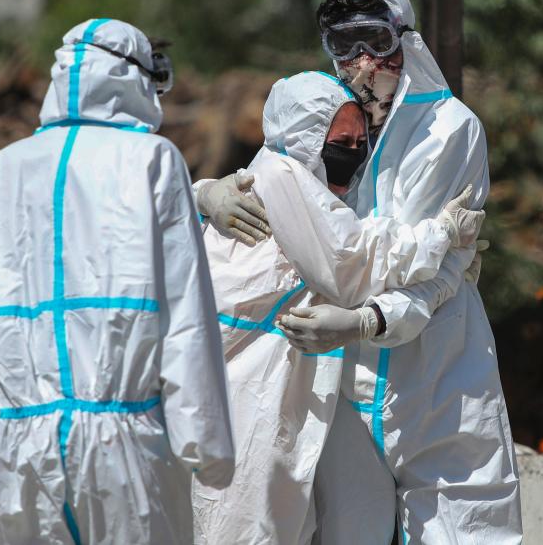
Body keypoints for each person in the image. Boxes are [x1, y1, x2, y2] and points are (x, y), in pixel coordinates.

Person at [0, 19, 234, 545]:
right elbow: (185, 314)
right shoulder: (152, 160)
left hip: (9, 450)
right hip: (121, 452)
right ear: (136, 81)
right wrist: (208, 446)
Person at [191, 71, 485, 544]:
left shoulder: (302, 181)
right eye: (338, 141)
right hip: (248, 389)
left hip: (289, 382)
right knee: (247, 525)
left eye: (358, 141)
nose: (351, 152)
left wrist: (446, 274)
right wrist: (442, 239)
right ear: (305, 139)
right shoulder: (284, 177)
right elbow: (354, 264)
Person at [278, 0, 523, 544]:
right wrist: (207, 193)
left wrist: (365, 319)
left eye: (373, 41)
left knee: (467, 532)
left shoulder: (449, 131)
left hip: (437, 378)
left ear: (404, 40)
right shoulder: (331, 126)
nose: (360, 63)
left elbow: (416, 272)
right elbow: (274, 185)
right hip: (340, 387)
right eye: (343, 45)